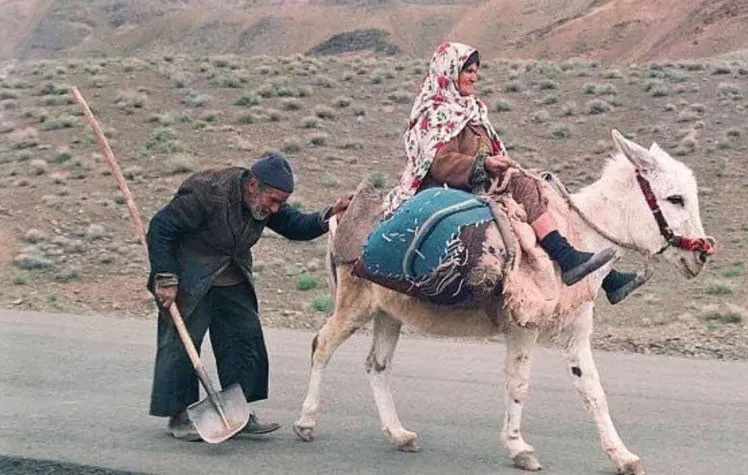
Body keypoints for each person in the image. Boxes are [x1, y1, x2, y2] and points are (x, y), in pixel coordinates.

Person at [382, 42, 649, 305]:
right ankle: (575, 263)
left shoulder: (471, 110)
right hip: (448, 192)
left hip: (478, 186)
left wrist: (492, 165)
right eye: (468, 70)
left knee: (545, 191)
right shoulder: (437, 113)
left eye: (476, 71)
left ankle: (605, 277)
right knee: (523, 187)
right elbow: (440, 163)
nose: (474, 77)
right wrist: (484, 165)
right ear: (449, 72)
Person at [146, 152, 352, 441]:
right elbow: (161, 228)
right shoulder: (208, 192)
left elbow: (296, 227)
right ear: (253, 186)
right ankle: (179, 417)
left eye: (282, 201)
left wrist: (330, 213)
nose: (277, 208)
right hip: (189, 276)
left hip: (232, 277)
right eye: (274, 200)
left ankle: (237, 411)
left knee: (244, 338)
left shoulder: (264, 204)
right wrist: (165, 277)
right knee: (181, 345)